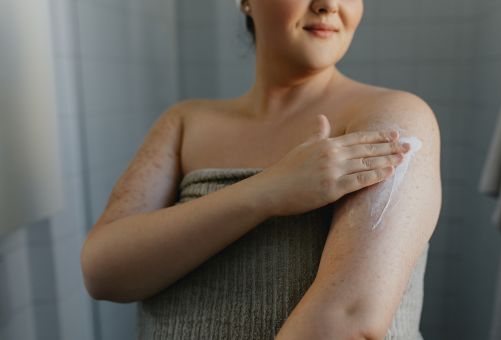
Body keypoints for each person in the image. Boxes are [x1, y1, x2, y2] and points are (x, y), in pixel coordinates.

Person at [80, 0, 442, 339]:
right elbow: (103, 273)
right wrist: (269, 191)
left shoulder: (395, 119)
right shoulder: (184, 122)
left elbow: (349, 318)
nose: (329, 4)